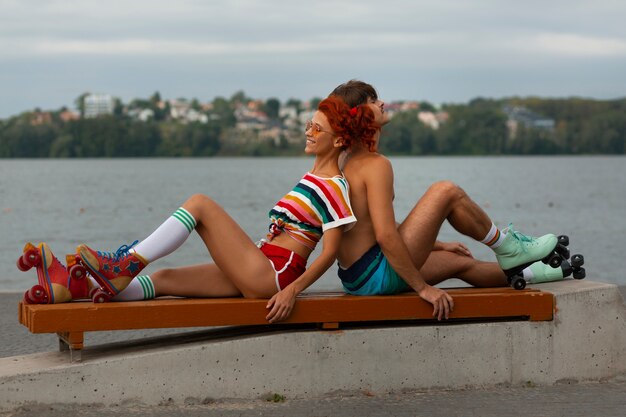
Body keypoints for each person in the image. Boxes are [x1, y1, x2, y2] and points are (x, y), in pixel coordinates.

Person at [24, 97, 375, 323]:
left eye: (317, 127)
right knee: (164, 279)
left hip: (271, 275)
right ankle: (76, 288)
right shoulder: (313, 176)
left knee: (200, 204)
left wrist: (292, 291)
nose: (308, 131)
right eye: (309, 124)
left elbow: (329, 253)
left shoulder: (334, 186)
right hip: (257, 263)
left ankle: (124, 264)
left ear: (339, 140)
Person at [330, 80, 568, 320]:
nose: (381, 103)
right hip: (376, 273)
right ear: (358, 115)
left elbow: (374, 227)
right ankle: (507, 247)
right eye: (372, 101)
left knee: (458, 262)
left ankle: (537, 271)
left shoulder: (346, 160)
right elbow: (385, 235)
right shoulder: (375, 165)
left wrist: (440, 245)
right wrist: (423, 288)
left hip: (357, 278)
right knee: (445, 191)